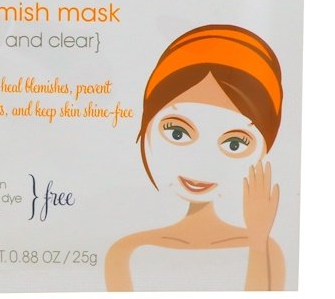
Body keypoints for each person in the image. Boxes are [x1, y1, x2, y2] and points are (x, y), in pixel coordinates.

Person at [105, 24, 285, 291]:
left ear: (264, 150)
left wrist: (258, 240)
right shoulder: (127, 252)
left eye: (234, 144)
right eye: (177, 133)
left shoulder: (266, 248)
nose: (201, 162)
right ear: (147, 123)